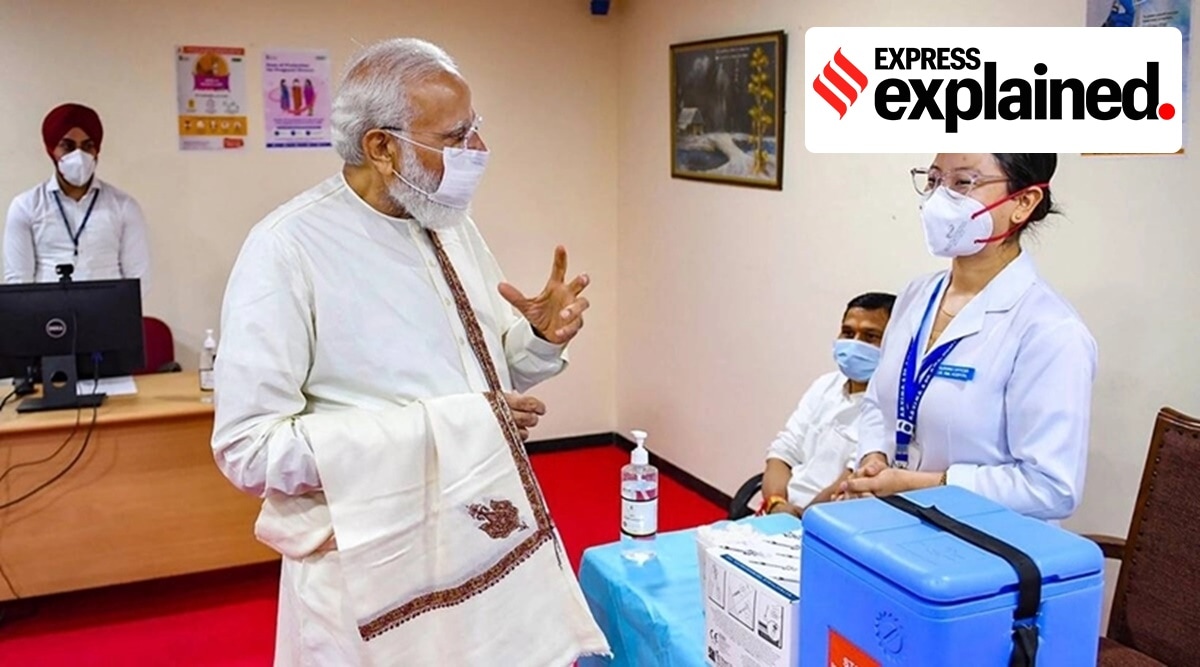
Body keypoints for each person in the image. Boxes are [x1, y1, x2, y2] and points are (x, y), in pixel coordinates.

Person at [210, 38, 608, 666]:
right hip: (371, 561)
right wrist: (446, 427)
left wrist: (537, 338)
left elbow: (484, 385)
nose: (478, 149)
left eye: (475, 127)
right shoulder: (286, 248)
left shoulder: (447, 220)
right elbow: (249, 450)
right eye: (455, 136)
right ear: (381, 146)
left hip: (475, 532)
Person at [839, 153, 1097, 522]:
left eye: (962, 183)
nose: (938, 199)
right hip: (895, 524)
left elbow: (1051, 488)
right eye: (933, 180)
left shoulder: (1051, 330)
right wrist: (874, 457)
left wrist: (923, 484)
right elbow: (878, 404)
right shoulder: (916, 295)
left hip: (985, 541)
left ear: (1024, 202)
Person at [761, 292, 895, 518]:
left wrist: (800, 519)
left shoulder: (889, 409)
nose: (854, 344)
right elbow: (783, 451)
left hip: (826, 520)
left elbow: (852, 482)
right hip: (780, 509)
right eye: (848, 333)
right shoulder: (825, 385)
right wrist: (776, 503)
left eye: (870, 336)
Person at [3, 103, 150, 293]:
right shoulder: (25, 206)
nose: (79, 155)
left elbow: (138, 281)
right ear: (51, 150)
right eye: (67, 146)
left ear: (97, 150)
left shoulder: (124, 206)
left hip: (109, 309)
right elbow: (18, 283)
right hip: (48, 310)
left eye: (88, 146)